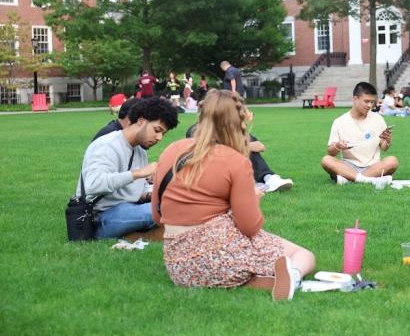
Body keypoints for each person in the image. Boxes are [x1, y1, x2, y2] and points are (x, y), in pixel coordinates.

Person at [152, 90, 314, 300]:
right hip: (222, 256)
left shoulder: (171, 150)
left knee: (237, 260)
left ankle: (255, 280)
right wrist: (252, 199)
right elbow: (249, 226)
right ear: (238, 121)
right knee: (304, 255)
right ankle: (293, 276)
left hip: (179, 266)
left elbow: (157, 216)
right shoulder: (235, 160)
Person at [75, 97, 178, 239]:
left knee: (172, 204)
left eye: (163, 134)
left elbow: (136, 192)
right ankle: (147, 234)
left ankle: (139, 235)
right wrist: (139, 173)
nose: (159, 137)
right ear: (141, 121)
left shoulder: (139, 150)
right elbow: (93, 185)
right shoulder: (108, 145)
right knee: (162, 211)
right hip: (100, 218)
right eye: (157, 130)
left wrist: (159, 191)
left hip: (127, 210)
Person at [185, 113, 294, 193]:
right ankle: (251, 182)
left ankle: (269, 178)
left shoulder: (232, 131)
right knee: (241, 148)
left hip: (232, 170)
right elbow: (209, 150)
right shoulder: (197, 129)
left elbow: (260, 146)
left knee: (246, 148)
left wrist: (240, 145)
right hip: (211, 173)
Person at [321, 82, 398, 187]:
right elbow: (330, 152)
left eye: (372, 102)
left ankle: (350, 179)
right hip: (349, 165)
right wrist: (337, 146)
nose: (369, 106)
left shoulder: (378, 118)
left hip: (373, 165)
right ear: (355, 99)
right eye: (366, 101)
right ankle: (369, 179)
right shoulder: (339, 122)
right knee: (326, 160)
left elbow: (384, 147)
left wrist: (387, 141)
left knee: (392, 161)